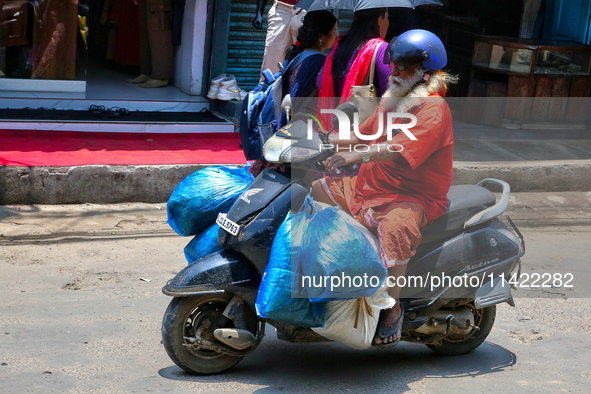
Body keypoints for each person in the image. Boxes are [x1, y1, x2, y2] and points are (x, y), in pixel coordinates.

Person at [311, 29, 457, 346]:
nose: (393, 70)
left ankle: (392, 308)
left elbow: (399, 150)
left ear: (425, 74)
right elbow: (362, 133)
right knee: (317, 189)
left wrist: (358, 154)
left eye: (402, 65)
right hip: (369, 187)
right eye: (393, 63)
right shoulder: (393, 101)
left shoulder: (434, 110)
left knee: (395, 227)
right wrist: (318, 140)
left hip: (410, 198)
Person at [249, 10, 337, 178]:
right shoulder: (317, 60)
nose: (337, 35)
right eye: (333, 31)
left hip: (285, 126)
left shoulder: (298, 55)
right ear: (321, 36)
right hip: (301, 130)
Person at [317, 8, 391, 124]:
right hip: (363, 130)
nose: (388, 21)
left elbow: (321, 82)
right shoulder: (380, 49)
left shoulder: (339, 44)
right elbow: (389, 93)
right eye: (387, 17)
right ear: (380, 20)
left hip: (332, 125)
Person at [254, 0, 306, 78]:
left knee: (305, 61)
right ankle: (268, 88)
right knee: (273, 60)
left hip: (305, 10)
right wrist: (259, 13)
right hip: (281, 10)